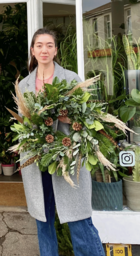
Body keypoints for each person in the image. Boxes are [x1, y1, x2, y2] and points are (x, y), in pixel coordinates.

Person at [18, 28, 105, 256]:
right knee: (43, 221)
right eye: (39, 45)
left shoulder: (71, 78)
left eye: (49, 45)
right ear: (33, 51)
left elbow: (88, 117)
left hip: (68, 158)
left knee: (79, 220)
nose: (44, 49)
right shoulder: (24, 85)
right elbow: (21, 125)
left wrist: (67, 117)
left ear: (55, 50)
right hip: (37, 161)